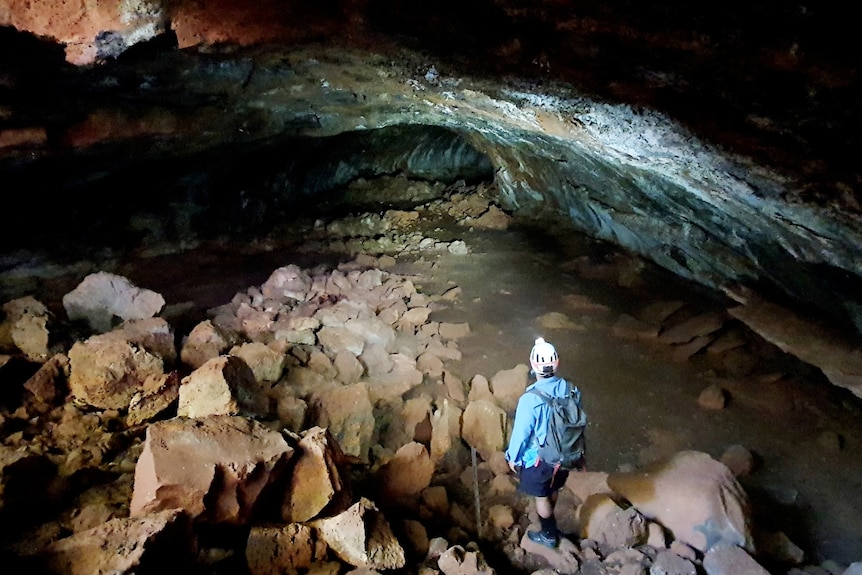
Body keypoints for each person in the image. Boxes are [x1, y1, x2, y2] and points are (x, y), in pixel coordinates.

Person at [505, 337, 586, 549]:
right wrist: (581, 455)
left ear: (533, 365)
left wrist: (512, 457)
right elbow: (577, 422)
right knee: (554, 488)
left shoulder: (530, 399)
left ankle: (549, 534)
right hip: (566, 454)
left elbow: (521, 433)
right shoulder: (571, 389)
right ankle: (551, 522)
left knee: (541, 497)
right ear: (557, 363)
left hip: (541, 460)